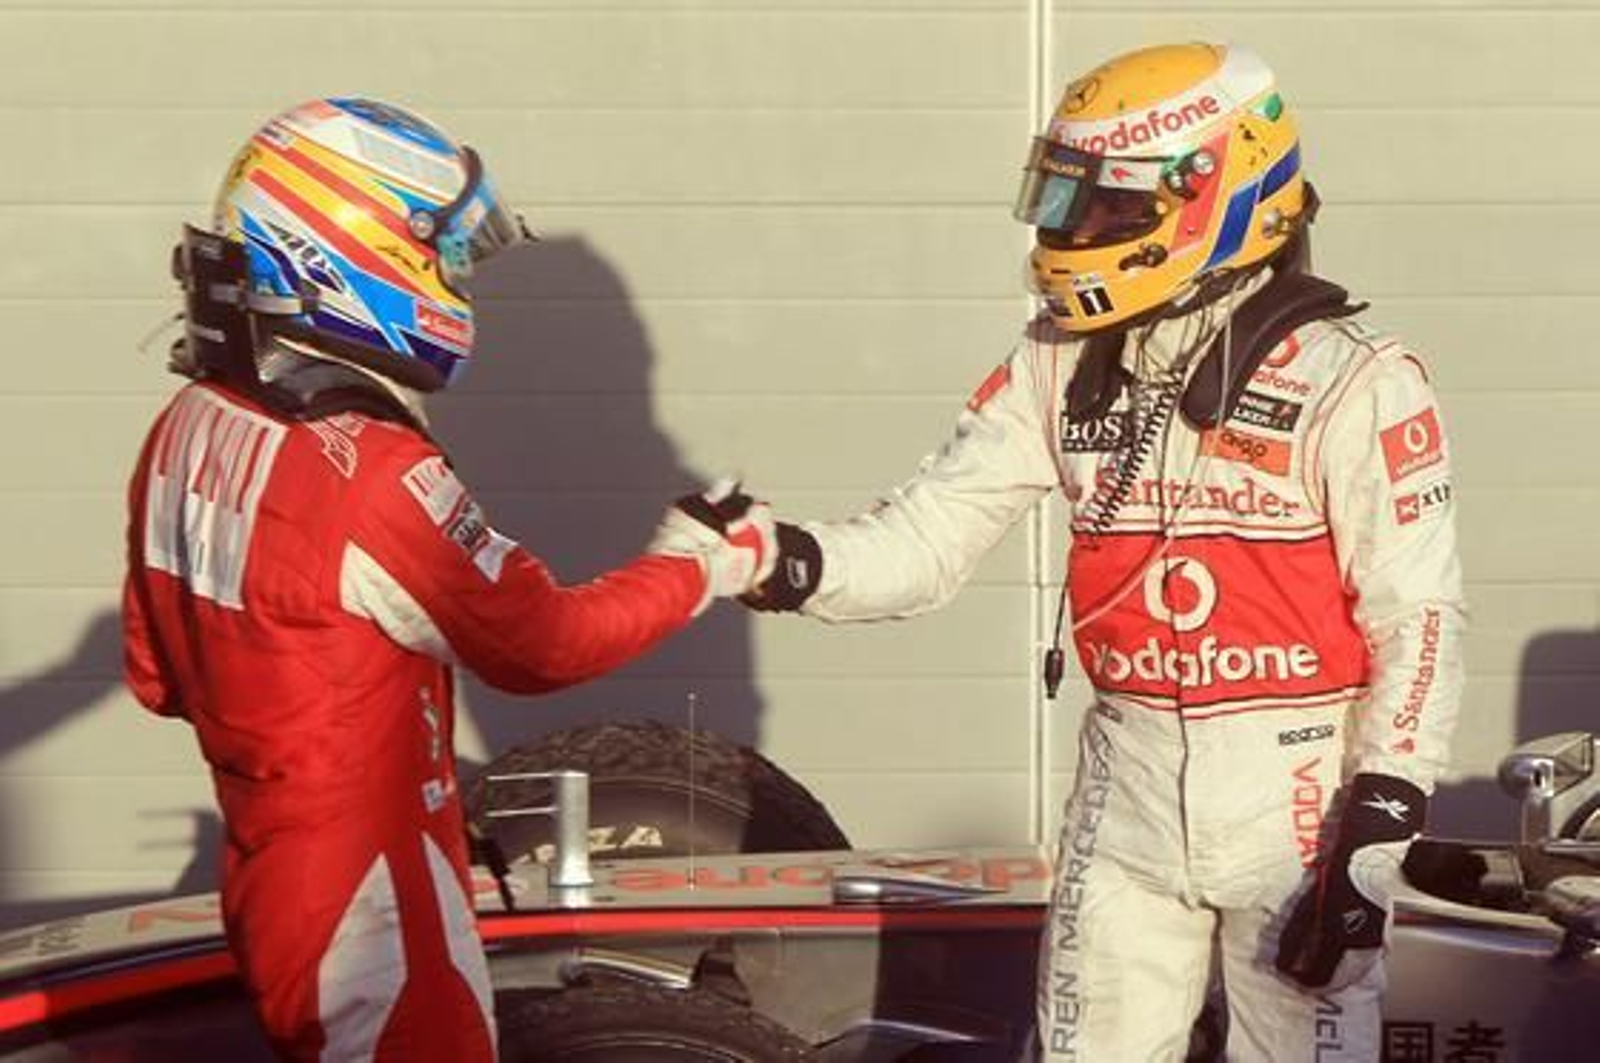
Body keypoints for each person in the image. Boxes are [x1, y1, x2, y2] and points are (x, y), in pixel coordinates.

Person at [743, 42, 1465, 1060]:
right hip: (1124, 778)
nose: (1072, 232)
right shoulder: (1055, 357)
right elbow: (927, 536)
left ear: (1218, 193)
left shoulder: (1357, 380)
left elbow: (1417, 617)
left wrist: (1378, 823)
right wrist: (787, 561)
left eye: (1107, 208)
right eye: (1064, 200)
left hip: (1297, 795)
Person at [121, 98, 774, 1062]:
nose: (459, 280)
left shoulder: (186, 425)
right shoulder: (377, 475)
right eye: (444, 254)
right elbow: (545, 644)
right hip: (375, 902)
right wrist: (701, 562)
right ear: (346, 251)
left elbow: (155, 676)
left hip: (266, 873)